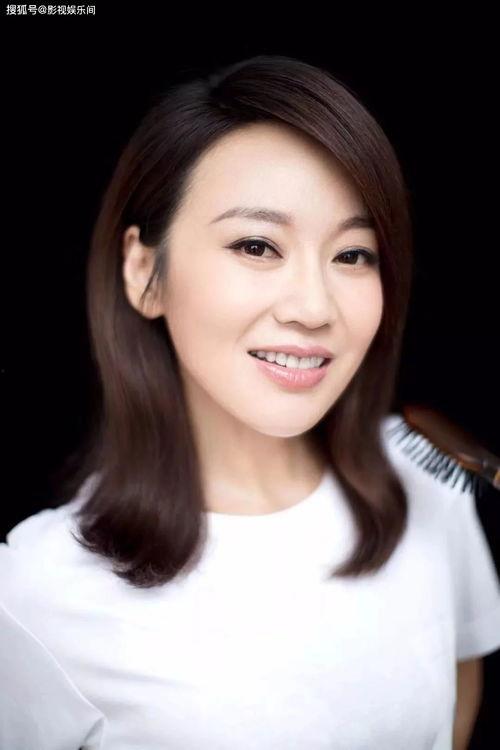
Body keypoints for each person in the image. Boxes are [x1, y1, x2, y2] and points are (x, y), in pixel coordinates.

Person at [1, 54, 499, 750]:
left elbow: (459, 690)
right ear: (144, 272)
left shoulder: (426, 484)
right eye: (258, 245)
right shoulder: (39, 594)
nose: (313, 307)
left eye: (353, 254)